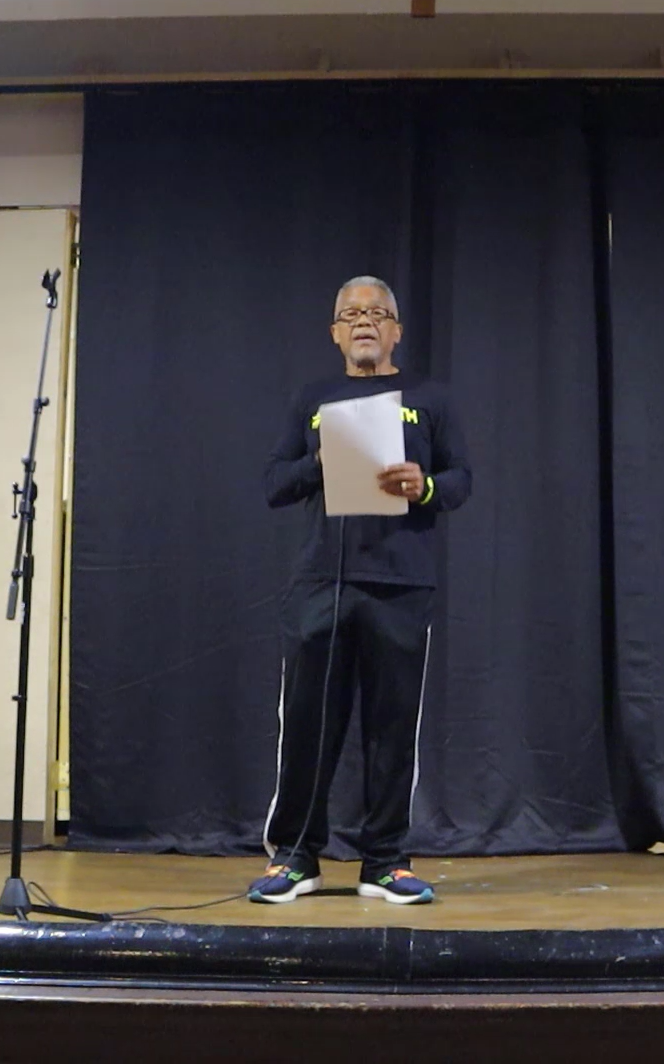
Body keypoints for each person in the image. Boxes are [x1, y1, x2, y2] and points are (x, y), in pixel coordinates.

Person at [250, 276, 472, 905]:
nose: (364, 322)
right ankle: (296, 857)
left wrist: (424, 486)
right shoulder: (312, 399)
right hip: (321, 583)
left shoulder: (430, 398)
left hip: (400, 584)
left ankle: (386, 862)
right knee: (308, 726)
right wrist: (320, 460)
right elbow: (274, 483)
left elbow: (461, 478)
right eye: (351, 314)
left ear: (396, 330)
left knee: (392, 729)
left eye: (377, 313)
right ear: (335, 333)